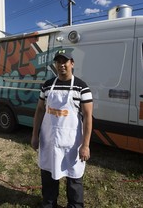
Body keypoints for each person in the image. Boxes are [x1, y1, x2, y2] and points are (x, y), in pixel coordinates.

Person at [31, 48, 93, 208]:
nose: (61, 65)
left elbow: (87, 117)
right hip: (49, 140)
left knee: (74, 178)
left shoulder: (82, 87)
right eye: (58, 62)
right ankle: (49, 204)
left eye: (64, 61)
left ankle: (75, 205)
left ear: (72, 63)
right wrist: (34, 135)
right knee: (48, 174)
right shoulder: (47, 85)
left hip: (72, 143)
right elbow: (39, 110)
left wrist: (85, 145)